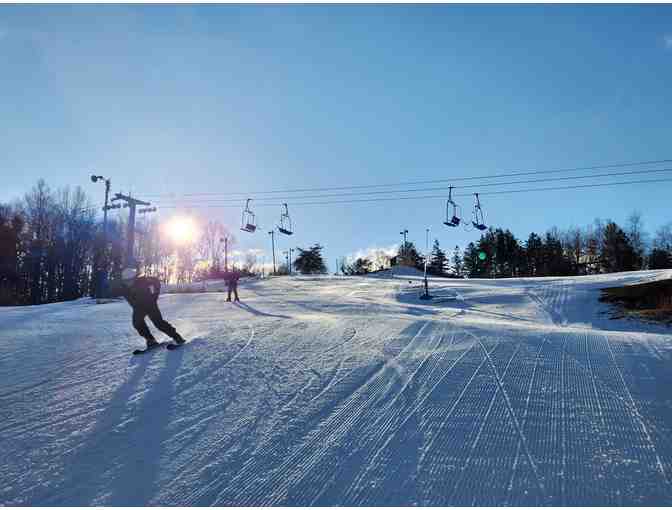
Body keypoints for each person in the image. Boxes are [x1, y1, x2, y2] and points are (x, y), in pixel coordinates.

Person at [110, 268, 185, 351]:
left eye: (130, 280)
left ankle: (177, 337)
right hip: (138, 307)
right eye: (126, 281)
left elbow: (156, 281)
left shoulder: (143, 280)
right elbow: (114, 290)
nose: (128, 283)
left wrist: (155, 295)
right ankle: (151, 340)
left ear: (135, 278)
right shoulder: (124, 287)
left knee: (158, 323)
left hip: (150, 304)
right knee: (137, 323)